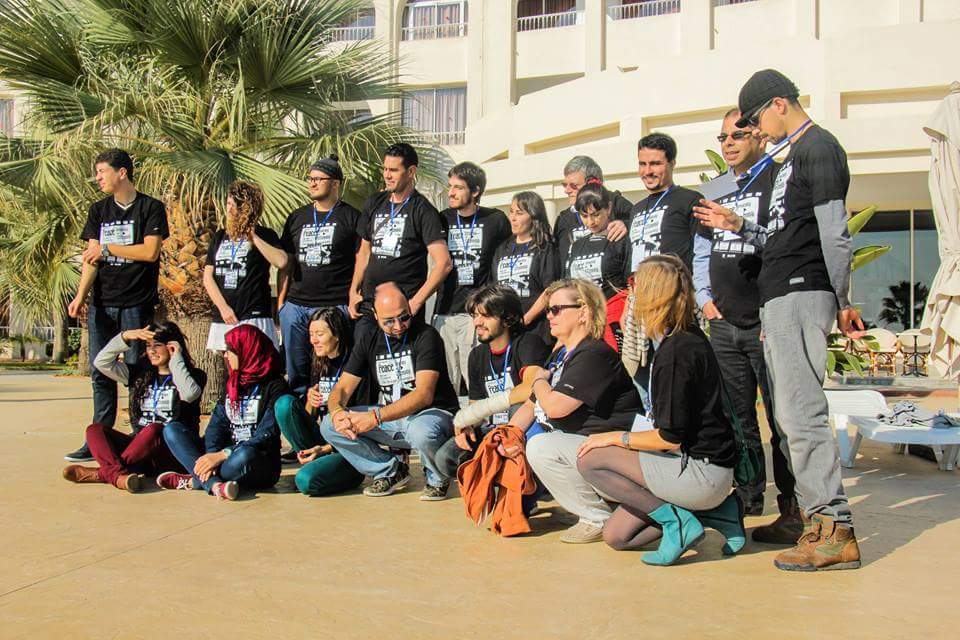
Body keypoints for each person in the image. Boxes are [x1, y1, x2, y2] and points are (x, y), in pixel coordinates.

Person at [694, 68, 863, 571]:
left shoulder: (819, 148)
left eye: (754, 120)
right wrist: (740, 224)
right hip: (781, 296)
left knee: (802, 416)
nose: (754, 131)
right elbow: (781, 237)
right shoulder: (794, 156)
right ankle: (808, 520)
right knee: (789, 418)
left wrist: (843, 297)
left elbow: (834, 232)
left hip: (801, 292)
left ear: (779, 104)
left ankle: (834, 530)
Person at [576, 255, 743, 566]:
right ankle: (717, 512)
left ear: (652, 296)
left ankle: (676, 522)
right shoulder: (684, 337)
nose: (630, 296)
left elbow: (669, 437)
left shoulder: (677, 352)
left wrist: (614, 438)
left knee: (591, 459)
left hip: (701, 471)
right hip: (705, 470)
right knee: (617, 536)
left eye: (635, 288)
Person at [691, 108, 800, 530]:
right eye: (722, 138)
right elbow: (702, 250)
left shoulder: (777, 178)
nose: (729, 144)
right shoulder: (716, 188)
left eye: (737, 135)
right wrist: (704, 298)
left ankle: (793, 508)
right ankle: (749, 498)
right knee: (738, 419)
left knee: (780, 418)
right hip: (723, 324)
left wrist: (739, 224)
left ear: (758, 134)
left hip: (766, 321)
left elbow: (785, 244)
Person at [497, 279, 643, 544]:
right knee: (521, 439)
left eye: (556, 309)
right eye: (547, 310)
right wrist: (508, 436)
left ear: (583, 312)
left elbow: (555, 407)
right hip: (591, 452)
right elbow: (531, 404)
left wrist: (538, 380)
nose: (548, 316)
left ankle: (597, 517)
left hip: (622, 458)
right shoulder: (561, 354)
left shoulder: (594, 353)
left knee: (541, 446)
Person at [65, 148, 169, 462]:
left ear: (121, 172)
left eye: (102, 172)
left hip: (137, 302)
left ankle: (140, 437)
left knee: (138, 371)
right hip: (101, 303)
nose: (97, 178)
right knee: (101, 370)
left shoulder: (150, 208)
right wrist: (80, 296)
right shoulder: (98, 210)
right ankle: (99, 438)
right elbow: (91, 258)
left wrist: (108, 248)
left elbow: (150, 252)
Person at [319, 283, 460, 500]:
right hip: (393, 418)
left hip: (432, 415)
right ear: (375, 316)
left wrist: (375, 417)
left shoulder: (426, 335)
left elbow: (424, 394)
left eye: (404, 317)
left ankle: (436, 477)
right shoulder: (369, 339)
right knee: (330, 424)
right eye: (389, 321)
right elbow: (342, 388)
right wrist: (338, 412)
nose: (399, 326)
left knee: (420, 431)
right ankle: (389, 470)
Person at [62, 322, 206, 492]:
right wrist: (124, 337)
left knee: (155, 429)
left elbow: (189, 394)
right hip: (138, 449)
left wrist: (176, 360)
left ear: (173, 346)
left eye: (157, 345)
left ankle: (104, 474)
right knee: (94, 430)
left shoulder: (194, 376)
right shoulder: (140, 374)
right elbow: (101, 362)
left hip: (169, 453)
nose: (151, 351)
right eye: (148, 346)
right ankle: (118, 475)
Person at [159, 325, 289, 500]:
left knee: (244, 455)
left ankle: (195, 480)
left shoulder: (275, 385)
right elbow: (216, 426)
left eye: (230, 350)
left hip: (254, 461)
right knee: (172, 429)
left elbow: (266, 434)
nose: (225, 355)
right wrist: (210, 456)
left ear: (247, 351)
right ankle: (215, 485)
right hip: (224, 459)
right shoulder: (232, 382)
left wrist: (223, 454)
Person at [435, 285, 551, 479]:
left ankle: (531, 481)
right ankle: (494, 481)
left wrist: (481, 409)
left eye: (485, 316)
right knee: (445, 458)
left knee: (517, 407)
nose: (477, 322)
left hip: (522, 429)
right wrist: (469, 423)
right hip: (493, 430)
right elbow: (476, 405)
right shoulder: (477, 355)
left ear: (508, 318)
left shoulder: (528, 343)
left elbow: (531, 387)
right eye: (475, 316)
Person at [626, 133, 707, 410]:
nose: (648, 171)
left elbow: (702, 254)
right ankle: (654, 423)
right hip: (638, 306)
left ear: (672, 163)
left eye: (656, 163)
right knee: (640, 376)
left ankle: (672, 426)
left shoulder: (689, 200)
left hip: (670, 305)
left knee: (671, 375)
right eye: (643, 164)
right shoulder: (637, 209)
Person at [278, 156, 362, 394]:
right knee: (297, 371)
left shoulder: (351, 217)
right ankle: (299, 409)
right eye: (310, 178)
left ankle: (334, 408)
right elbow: (287, 263)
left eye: (318, 179)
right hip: (296, 306)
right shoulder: (297, 217)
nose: (312, 183)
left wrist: (353, 295)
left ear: (335, 183)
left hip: (333, 305)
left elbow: (361, 259)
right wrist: (282, 304)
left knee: (333, 368)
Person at [349, 143, 452, 326]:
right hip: (370, 306)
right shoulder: (374, 202)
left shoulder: (423, 210)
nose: (387, 175)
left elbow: (444, 263)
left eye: (394, 170)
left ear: (411, 172)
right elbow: (364, 252)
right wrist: (353, 292)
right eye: (385, 169)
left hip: (402, 312)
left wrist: (415, 302)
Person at [434, 162, 512, 392]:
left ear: (475, 191)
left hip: (476, 313)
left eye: (458, 187)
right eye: (450, 186)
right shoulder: (442, 219)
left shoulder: (495, 219)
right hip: (445, 311)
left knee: (475, 379)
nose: (451, 193)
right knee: (447, 383)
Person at [274, 308, 365, 497]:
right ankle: (312, 461)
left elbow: (362, 426)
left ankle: (333, 471)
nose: (313, 340)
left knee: (305, 481)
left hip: (349, 446)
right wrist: (310, 401)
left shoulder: (355, 364)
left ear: (337, 335)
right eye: (311, 334)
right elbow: (309, 417)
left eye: (319, 334)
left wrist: (325, 449)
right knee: (284, 404)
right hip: (322, 441)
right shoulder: (319, 361)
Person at [203, 180, 287, 351]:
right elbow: (208, 277)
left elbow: (281, 261)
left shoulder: (265, 234)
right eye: (228, 204)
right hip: (225, 316)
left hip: (254, 313)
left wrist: (253, 237)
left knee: (255, 362)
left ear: (247, 209)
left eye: (234, 206)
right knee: (230, 364)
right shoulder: (219, 236)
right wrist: (223, 308)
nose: (229, 210)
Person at [563, 184, 632, 352]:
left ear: (608, 208)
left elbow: (630, 282)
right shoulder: (576, 246)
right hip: (584, 321)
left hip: (613, 320)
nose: (590, 222)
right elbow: (569, 284)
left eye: (595, 215)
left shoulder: (621, 238)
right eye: (584, 216)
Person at [490, 191, 561, 342]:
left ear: (534, 216)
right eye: (511, 212)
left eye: (519, 213)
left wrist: (526, 319)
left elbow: (550, 289)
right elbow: (496, 288)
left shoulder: (545, 248)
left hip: (536, 330)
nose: (513, 218)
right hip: (507, 328)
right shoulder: (502, 249)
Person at [552, 155, 631, 258]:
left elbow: (640, 224)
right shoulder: (563, 219)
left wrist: (626, 225)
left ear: (593, 183)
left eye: (573, 185)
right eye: (565, 185)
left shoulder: (615, 202)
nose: (566, 191)